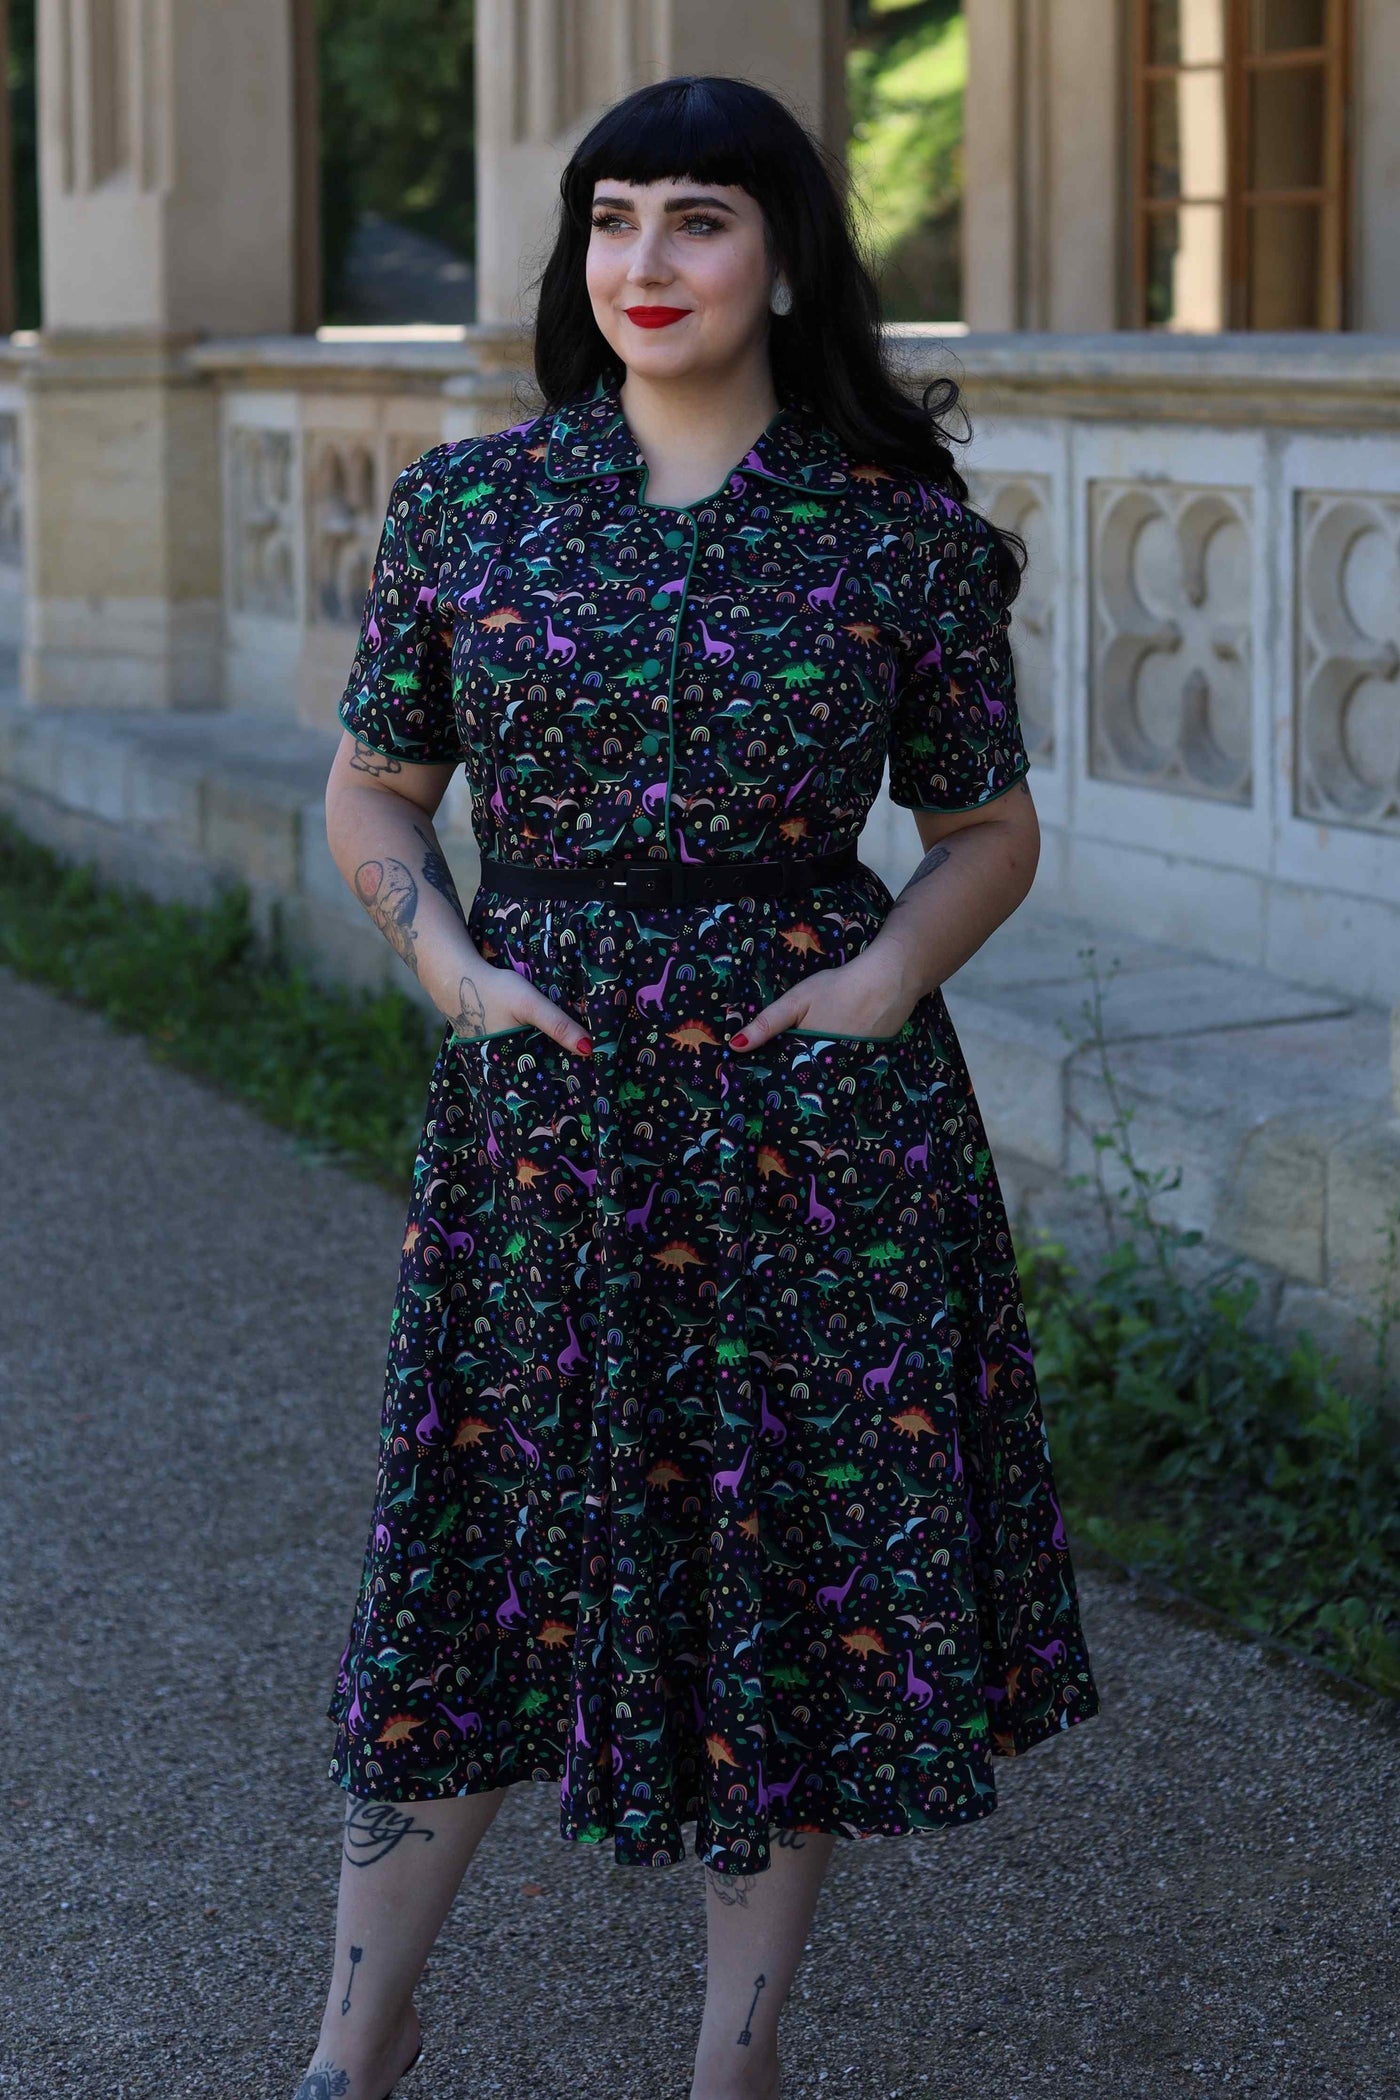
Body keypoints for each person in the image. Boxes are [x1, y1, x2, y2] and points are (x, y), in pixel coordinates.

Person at [298, 72, 1100, 2100]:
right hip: (543, 1102)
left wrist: (884, 976)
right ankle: (351, 2050)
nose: (644, 264)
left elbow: (986, 828)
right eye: (613, 220)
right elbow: (376, 787)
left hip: (810, 1118)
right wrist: (448, 963)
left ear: (783, 254)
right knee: (475, 1569)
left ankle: (729, 2065)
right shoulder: (473, 508)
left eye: (697, 221)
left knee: (790, 1585)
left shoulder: (895, 536)